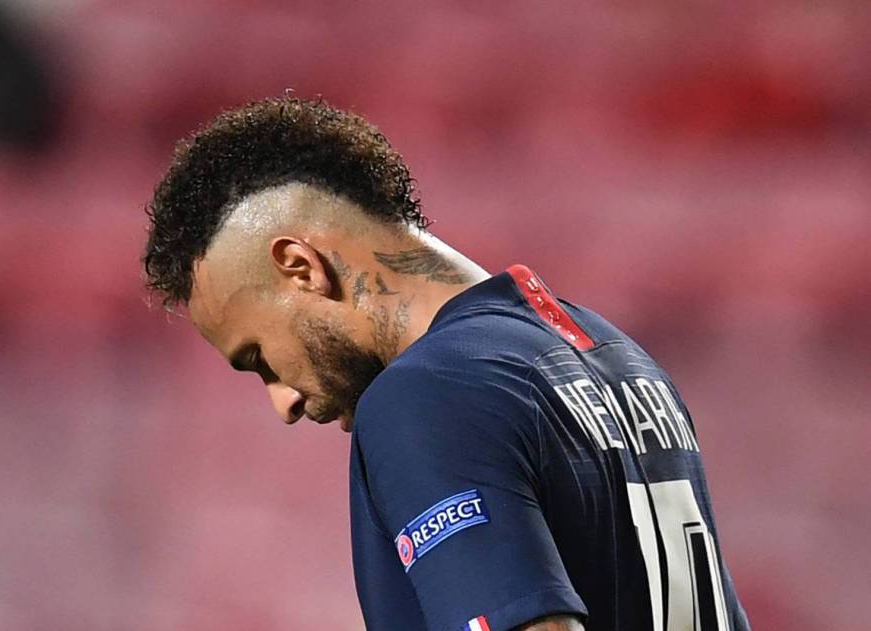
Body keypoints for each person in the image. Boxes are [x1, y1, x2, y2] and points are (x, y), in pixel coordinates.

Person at [143, 97, 750, 631]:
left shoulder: (426, 395)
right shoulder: (619, 358)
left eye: (260, 360)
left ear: (301, 267)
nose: (284, 403)